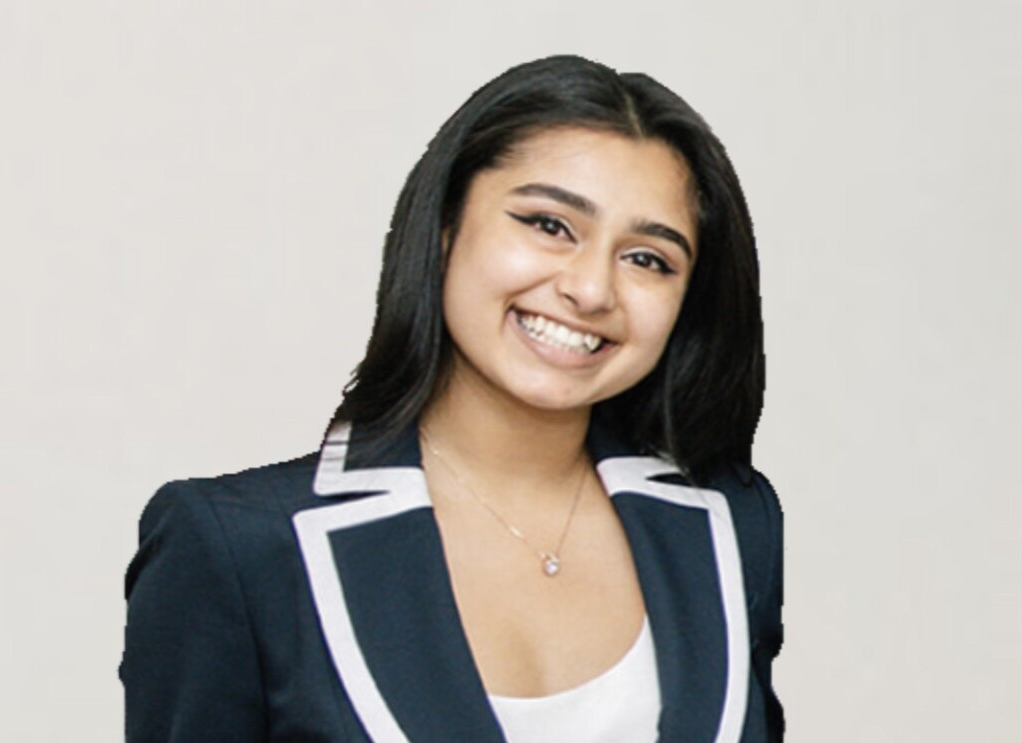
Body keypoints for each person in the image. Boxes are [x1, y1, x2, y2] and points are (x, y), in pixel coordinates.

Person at [121, 55, 783, 742]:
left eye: (648, 258)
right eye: (548, 225)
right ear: (445, 229)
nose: (591, 289)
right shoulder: (239, 549)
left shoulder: (732, 525)